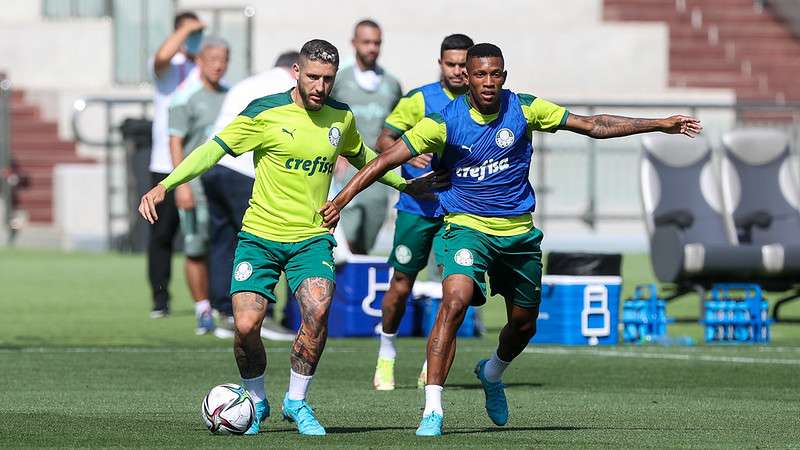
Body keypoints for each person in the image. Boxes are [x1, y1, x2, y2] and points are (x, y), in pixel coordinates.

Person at [320, 43, 703, 436]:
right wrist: (339, 200)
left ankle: (492, 371)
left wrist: (658, 123)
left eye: (496, 74)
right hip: (466, 227)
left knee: (522, 325)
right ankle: (432, 408)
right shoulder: (443, 121)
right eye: (480, 74)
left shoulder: (524, 108)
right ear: (466, 77)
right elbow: (385, 159)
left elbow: (593, 125)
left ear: (504, 75)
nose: (488, 82)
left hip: (518, 233)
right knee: (454, 302)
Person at [138, 39, 436, 436]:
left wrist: (406, 185)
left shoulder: (340, 117)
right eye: (313, 77)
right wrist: (167, 185)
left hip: (311, 238)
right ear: (296, 72)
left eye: (328, 79)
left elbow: (367, 159)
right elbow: (212, 151)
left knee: (317, 310)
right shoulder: (265, 112)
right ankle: (257, 399)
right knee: (245, 326)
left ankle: (296, 401)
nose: (320, 86)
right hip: (259, 236)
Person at [372, 33, 474, 391]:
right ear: (441, 64)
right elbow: (383, 139)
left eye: (464, 64)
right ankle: (387, 352)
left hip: (459, 213)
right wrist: (408, 152)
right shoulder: (419, 99)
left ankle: (432, 366)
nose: (458, 71)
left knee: (454, 294)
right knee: (401, 286)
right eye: (451, 64)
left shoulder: (482, 104)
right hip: (416, 207)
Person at [205, 51, 300, 341]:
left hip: (215, 166)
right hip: (244, 170)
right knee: (262, 242)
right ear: (295, 70)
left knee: (223, 242)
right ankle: (263, 315)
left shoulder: (246, 83)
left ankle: (223, 312)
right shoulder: (285, 90)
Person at [168, 36, 230, 336]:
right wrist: (181, 184)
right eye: (213, 58)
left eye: (224, 59)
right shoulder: (184, 98)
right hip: (196, 186)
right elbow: (175, 141)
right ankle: (202, 309)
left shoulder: (232, 96)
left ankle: (226, 308)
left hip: (225, 185)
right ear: (200, 61)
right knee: (196, 247)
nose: (219, 65)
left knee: (226, 245)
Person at [147, 11, 204, 318]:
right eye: (188, 32)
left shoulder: (203, 67)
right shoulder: (168, 68)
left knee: (202, 234)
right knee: (162, 234)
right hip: (164, 163)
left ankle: (208, 300)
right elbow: (161, 56)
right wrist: (186, 30)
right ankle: (160, 297)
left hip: (198, 163)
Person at [330, 19, 403, 254]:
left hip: (378, 170)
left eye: (377, 42)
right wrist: (334, 153)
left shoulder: (391, 84)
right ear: (354, 43)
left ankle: (355, 289)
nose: (372, 47)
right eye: (366, 42)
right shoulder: (339, 79)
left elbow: (399, 125)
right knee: (345, 237)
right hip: (346, 168)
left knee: (365, 243)